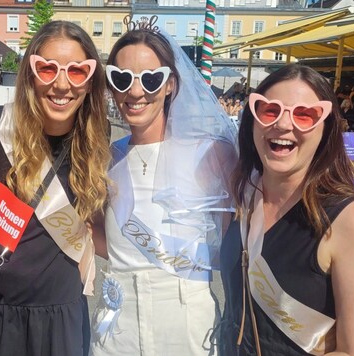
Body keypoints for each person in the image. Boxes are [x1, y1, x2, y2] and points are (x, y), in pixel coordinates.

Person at [0, 21, 111, 356]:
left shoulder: (98, 138)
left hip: (58, 317)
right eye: (47, 68)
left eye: (78, 71)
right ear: (29, 73)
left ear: (90, 80)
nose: (62, 84)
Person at [219, 64, 354, 355]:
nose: (284, 124)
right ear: (252, 121)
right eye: (269, 110)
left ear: (326, 129)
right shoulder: (242, 197)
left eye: (304, 115)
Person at [90, 27, 237, 355]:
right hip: (118, 326)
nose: (136, 91)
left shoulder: (211, 154)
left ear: (171, 83)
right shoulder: (104, 159)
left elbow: (239, 237)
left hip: (187, 325)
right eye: (122, 79)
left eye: (151, 78)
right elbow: (99, 236)